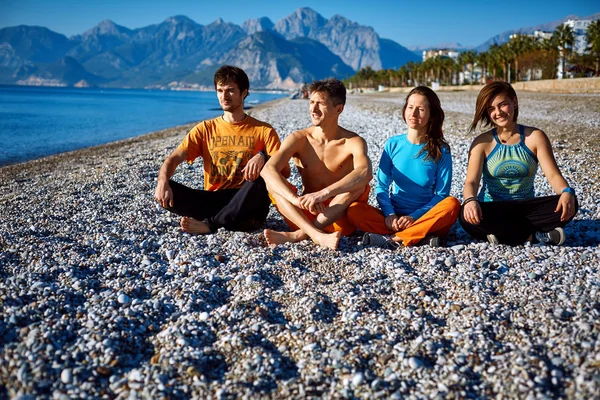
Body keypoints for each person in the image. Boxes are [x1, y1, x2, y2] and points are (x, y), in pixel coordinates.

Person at [154, 65, 287, 234]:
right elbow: (173, 159)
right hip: (214, 199)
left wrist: (263, 156)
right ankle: (233, 221)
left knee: (263, 176)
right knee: (167, 187)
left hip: (248, 198)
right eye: (220, 90)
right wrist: (162, 182)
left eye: (230, 90)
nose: (224, 96)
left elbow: (284, 171)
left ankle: (212, 225)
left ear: (244, 92)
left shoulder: (264, 130)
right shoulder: (205, 129)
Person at [460, 81, 578, 245]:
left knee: (570, 202)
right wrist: (470, 201)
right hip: (493, 209)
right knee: (465, 216)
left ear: (514, 102)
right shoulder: (482, 142)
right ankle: (534, 236)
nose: (498, 112)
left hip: (527, 208)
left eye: (503, 105)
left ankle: (502, 235)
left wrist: (566, 191)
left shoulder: (535, 137)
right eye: (491, 109)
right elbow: (471, 181)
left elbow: (553, 175)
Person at [260, 78, 372, 250]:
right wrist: (295, 200)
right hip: (303, 215)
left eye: (320, 103)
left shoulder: (353, 141)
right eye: (311, 102)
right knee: (272, 183)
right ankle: (315, 235)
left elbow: (365, 172)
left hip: (339, 219)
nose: (313, 109)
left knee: (358, 186)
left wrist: (323, 194)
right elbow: (268, 170)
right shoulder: (299, 139)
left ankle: (299, 235)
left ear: (338, 109)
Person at [347, 86, 460, 248]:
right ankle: (419, 237)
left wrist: (413, 217)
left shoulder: (441, 150)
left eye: (420, 109)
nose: (413, 114)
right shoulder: (393, 144)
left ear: (431, 115)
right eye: (410, 107)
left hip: (425, 215)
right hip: (393, 216)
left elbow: (442, 194)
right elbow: (381, 186)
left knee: (452, 204)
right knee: (354, 210)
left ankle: (393, 239)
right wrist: (390, 214)